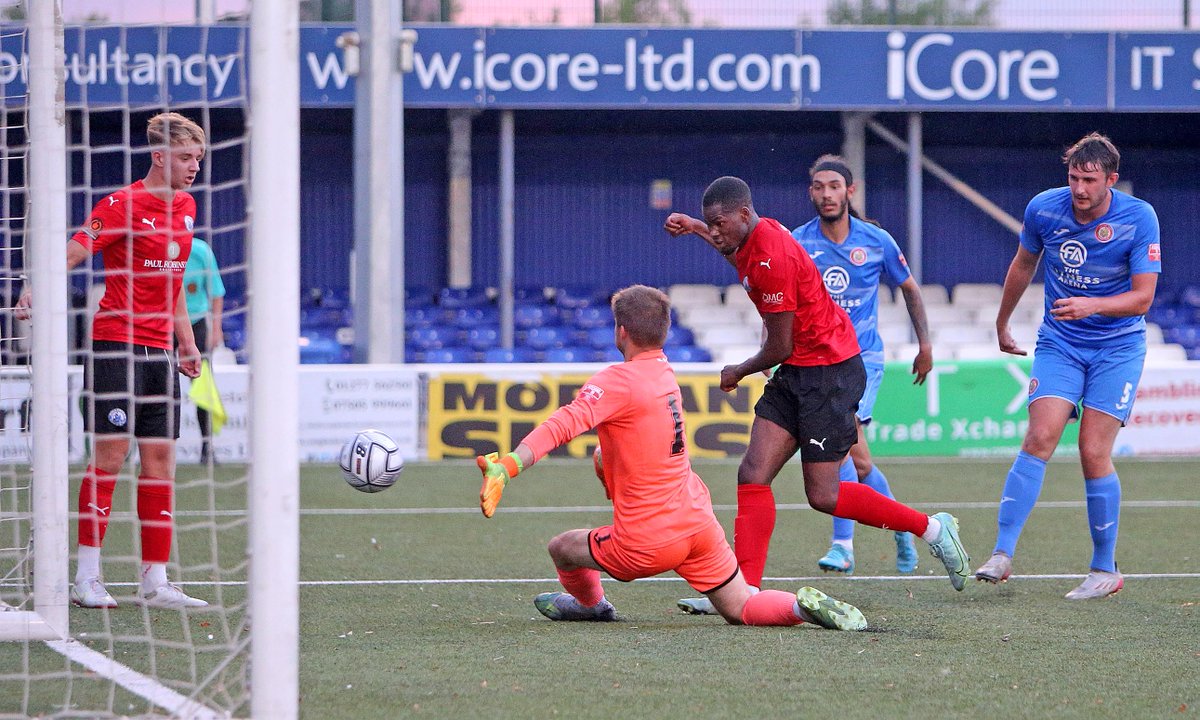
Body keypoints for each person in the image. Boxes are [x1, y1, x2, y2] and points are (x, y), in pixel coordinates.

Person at [477, 285, 868, 631]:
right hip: (697, 524)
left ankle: (591, 605)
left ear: (621, 332)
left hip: (646, 541)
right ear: (663, 333)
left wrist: (508, 465)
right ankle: (799, 607)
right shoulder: (664, 372)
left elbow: (562, 424)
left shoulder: (618, 379)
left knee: (561, 547)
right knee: (742, 606)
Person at [662, 176, 970, 611]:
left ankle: (932, 529)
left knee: (823, 496)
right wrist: (696, 226)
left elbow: (779, 346)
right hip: (799, 369)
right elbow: (733, 253)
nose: (715, 232)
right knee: (752, 474)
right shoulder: (753, 235)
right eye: (711, 225)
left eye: (718, 223)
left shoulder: (771, 256)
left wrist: (738, 371)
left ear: (744, 215)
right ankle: (741, 591)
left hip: (830, 372)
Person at [17, 112, 209, 609]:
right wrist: (37, 284)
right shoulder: (122, 204)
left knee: (161, 461)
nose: (194, 168)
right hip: (115, 347)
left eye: (199, 159)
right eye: (186, 158)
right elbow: (78, 249)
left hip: (160, 353)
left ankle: (155, 580)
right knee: (109, 457)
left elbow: (172, 287)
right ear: (159, 155)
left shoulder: (186, 207)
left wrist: (186, 344)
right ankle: (86, 577)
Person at [973, 132, 1161, 600]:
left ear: (1111, 180)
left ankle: (1104, 570)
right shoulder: (1044, 208)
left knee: (1093, 450)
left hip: (1118, 348)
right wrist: (1002, 322)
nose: (1079, 188)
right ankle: (1001, 554)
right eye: (1074, 177)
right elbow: (1022, 265)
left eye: (1089, 180)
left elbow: (1144, 297)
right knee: (1039, 436)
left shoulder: (1139, 217)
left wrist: (1093, 305)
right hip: (1061, 341)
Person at [182, 236, 225, 464]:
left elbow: (217, 292)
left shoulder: (200, 251)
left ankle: (207, 448)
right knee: (156, 387)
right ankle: (144, 449)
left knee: (203, 388)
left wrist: (216, 328)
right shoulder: (156, 246)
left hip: (196, 324)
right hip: (163, 324)